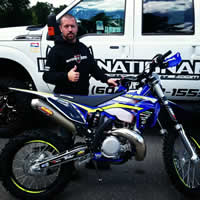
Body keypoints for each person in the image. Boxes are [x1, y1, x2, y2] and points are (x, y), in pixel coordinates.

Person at [43, 14, 117, 170]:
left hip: (83, 99)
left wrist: (106, 79)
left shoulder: (82, 47)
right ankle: (66, 169)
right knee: (66, 136)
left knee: (93, 131)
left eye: (73, 26)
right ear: (61, 29)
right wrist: (66, 76)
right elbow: (47, 76)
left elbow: (93, 67)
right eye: (66, 26)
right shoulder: (56, 50)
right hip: (64, 100)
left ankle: (95, 160)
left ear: (77, 28)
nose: (70, 29)